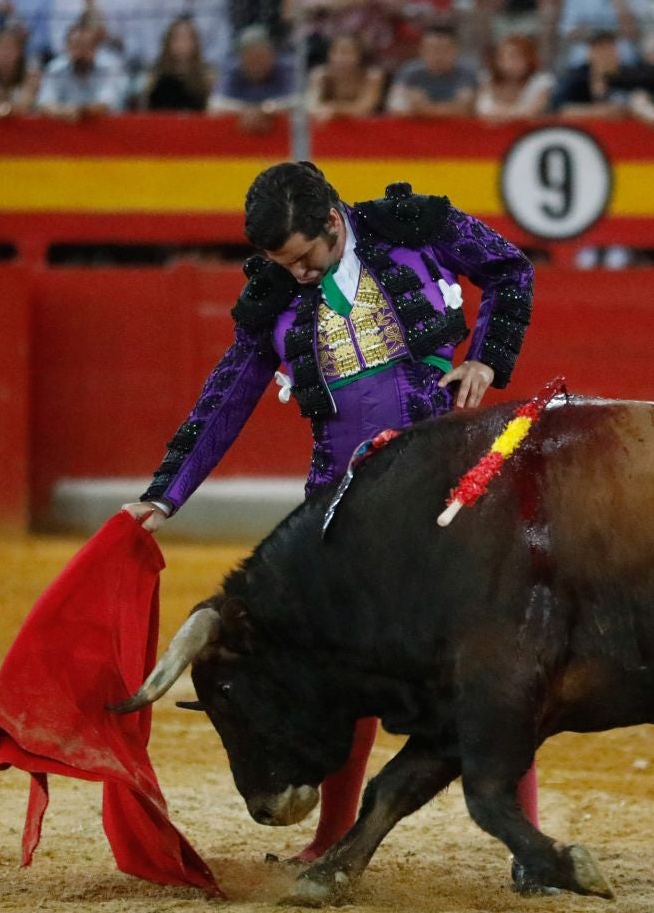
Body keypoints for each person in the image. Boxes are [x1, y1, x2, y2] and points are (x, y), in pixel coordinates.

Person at [121, 159, 537, 857]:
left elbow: (509, 269)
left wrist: (488, 359)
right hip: (342, 507)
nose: (300, 276)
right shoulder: (272, 296)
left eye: (306, 258)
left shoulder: (414, 228)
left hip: (446, 483)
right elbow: (226, 398)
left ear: (334, 221)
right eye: (284, 265)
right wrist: (165, 493)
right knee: (343, 667)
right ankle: (332, 836)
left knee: (489, 659)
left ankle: (525, 838)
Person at [39, 15, 130, 118]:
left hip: (104, 129)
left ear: (95, 48)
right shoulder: (56, 69)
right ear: (67, 47)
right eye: (76, 45)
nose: (80, 52)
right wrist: (63, 111)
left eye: (85, 46)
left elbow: (106, 103)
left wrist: (79, 111)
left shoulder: (110, 68)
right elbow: (44, 102)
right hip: (65, 128)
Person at [210, 25, 298, 127]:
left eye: (261, 55)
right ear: (241, 58)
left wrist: (265, 111)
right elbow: (216, 106)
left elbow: (297, 103)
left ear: (272, 55)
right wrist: (248, 112)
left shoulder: (283, 69)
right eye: (250, 55)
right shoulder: (233, 72)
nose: (256, 61)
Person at [387, 21, 475, 116]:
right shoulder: (409, 72)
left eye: (444, 49)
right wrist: (451, 108)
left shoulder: (468, 73)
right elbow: (395, 106)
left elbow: (466, 108)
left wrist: (422, 107)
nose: (438, 55)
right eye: (432, 49)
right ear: (422, 51)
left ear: (455, 51)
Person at [305, 31, 383, 120]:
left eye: (348, 53)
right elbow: (310, 105)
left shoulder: (372, 76)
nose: (341, 59)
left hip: (368, 128)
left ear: (360, 56)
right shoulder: (320, 75)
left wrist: (334, 109)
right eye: (336, 52)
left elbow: (364, 108)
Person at [142, 18, 216, 112]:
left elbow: (211, 108)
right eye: (177, 38)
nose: (182, 43)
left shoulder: (207, 75)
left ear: (196, 43)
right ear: (168, 42)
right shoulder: (155, 74)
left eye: (187, 38)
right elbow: (145, 109)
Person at [476, 33, 553, 121]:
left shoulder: (540, 82)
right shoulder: (486, 79)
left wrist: (500, 115)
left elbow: (531, 112)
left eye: (515, 58)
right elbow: (479, 110)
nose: (510, 64)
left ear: (529, 59)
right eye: (504, 58)